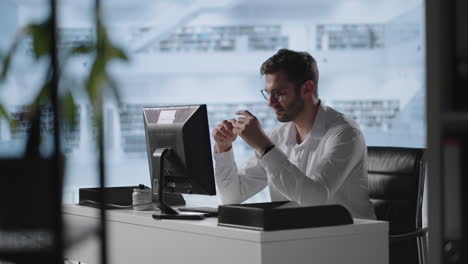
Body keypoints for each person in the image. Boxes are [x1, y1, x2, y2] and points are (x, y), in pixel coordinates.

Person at [212, 49, 376, 219]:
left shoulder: (346, 134)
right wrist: (224, 148)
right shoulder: (277, 136)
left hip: (349, 239)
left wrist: (263, 145)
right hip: (299, 237)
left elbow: (314, 199)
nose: (270, 103)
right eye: (268, 93)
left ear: (307, 88)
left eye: (279, 93)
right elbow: (232, 197)